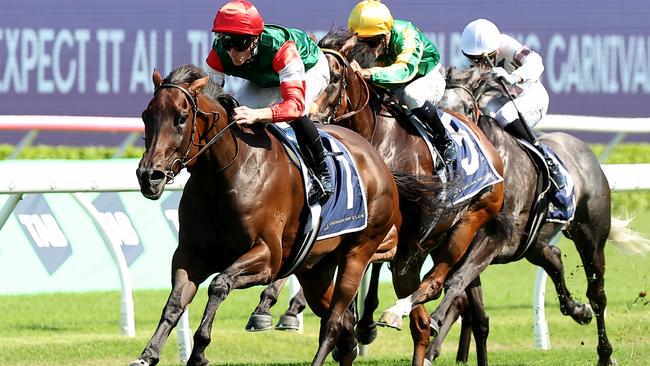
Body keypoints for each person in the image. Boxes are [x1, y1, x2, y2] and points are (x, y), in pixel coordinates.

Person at [205, 0, 334, 201]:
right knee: (234, 117)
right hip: (265, 77)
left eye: (240, 43)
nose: (232, 52)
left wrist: (257, 114)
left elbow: (295, 107)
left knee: (290, 118)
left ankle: (322, 173)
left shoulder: (282, 48)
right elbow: (208, 99)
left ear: (255, 39)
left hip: (309, 69)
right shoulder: (219, 52)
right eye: (227, 41)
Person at [459, 18, 566, 189]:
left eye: (484, 58)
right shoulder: (464, 63)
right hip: (502, 101)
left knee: (506, 114)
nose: (480, 64)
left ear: (495, 50)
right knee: (487, 119)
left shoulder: (506, 45)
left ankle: (548, 162)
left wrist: (514, 77)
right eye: (474, 59)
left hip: (531, 97)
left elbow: (535, 62)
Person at [346, 0, 457, 164]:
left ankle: (444, 139)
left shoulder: (407, 34)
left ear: (387, 34)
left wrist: (366, 72)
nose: (368, 49)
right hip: (392, 84)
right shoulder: (363, 39)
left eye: (373, 42)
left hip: (425, 77)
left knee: (411, 95)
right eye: (362, 42)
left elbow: (404, 71)